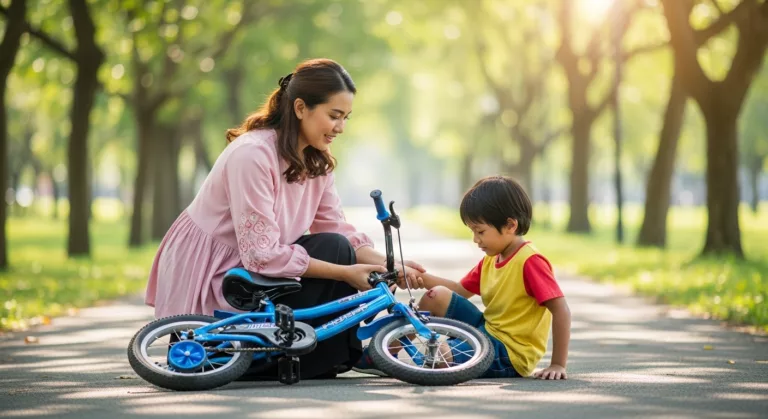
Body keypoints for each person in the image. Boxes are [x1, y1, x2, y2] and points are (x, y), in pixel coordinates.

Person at [144, 58, 425, 379]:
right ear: (301, 107)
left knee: (334, 245)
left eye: (346, 118)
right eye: (334, 116)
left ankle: (321, 357)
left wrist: (389, 267)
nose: (340, 127)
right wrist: (346, 273)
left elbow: (336, 230)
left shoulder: (318, 162)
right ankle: (254, 355)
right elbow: (260, 254)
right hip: (221, 268)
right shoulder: (253, 155)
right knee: (335, 257)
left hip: (261, 262)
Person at [355, 175, 571, 380]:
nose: (476, 239)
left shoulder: (530, 261)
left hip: (508, 352)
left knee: (441, 359)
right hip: (487, 329)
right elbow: (459, 290)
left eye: (480, 231)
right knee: (436, 296)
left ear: (510, 225)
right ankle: (385, 354)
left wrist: (558, 364)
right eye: (472, 231)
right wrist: (418, 276)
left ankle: (441, 356)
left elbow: (560, 309)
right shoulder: (493, 258)